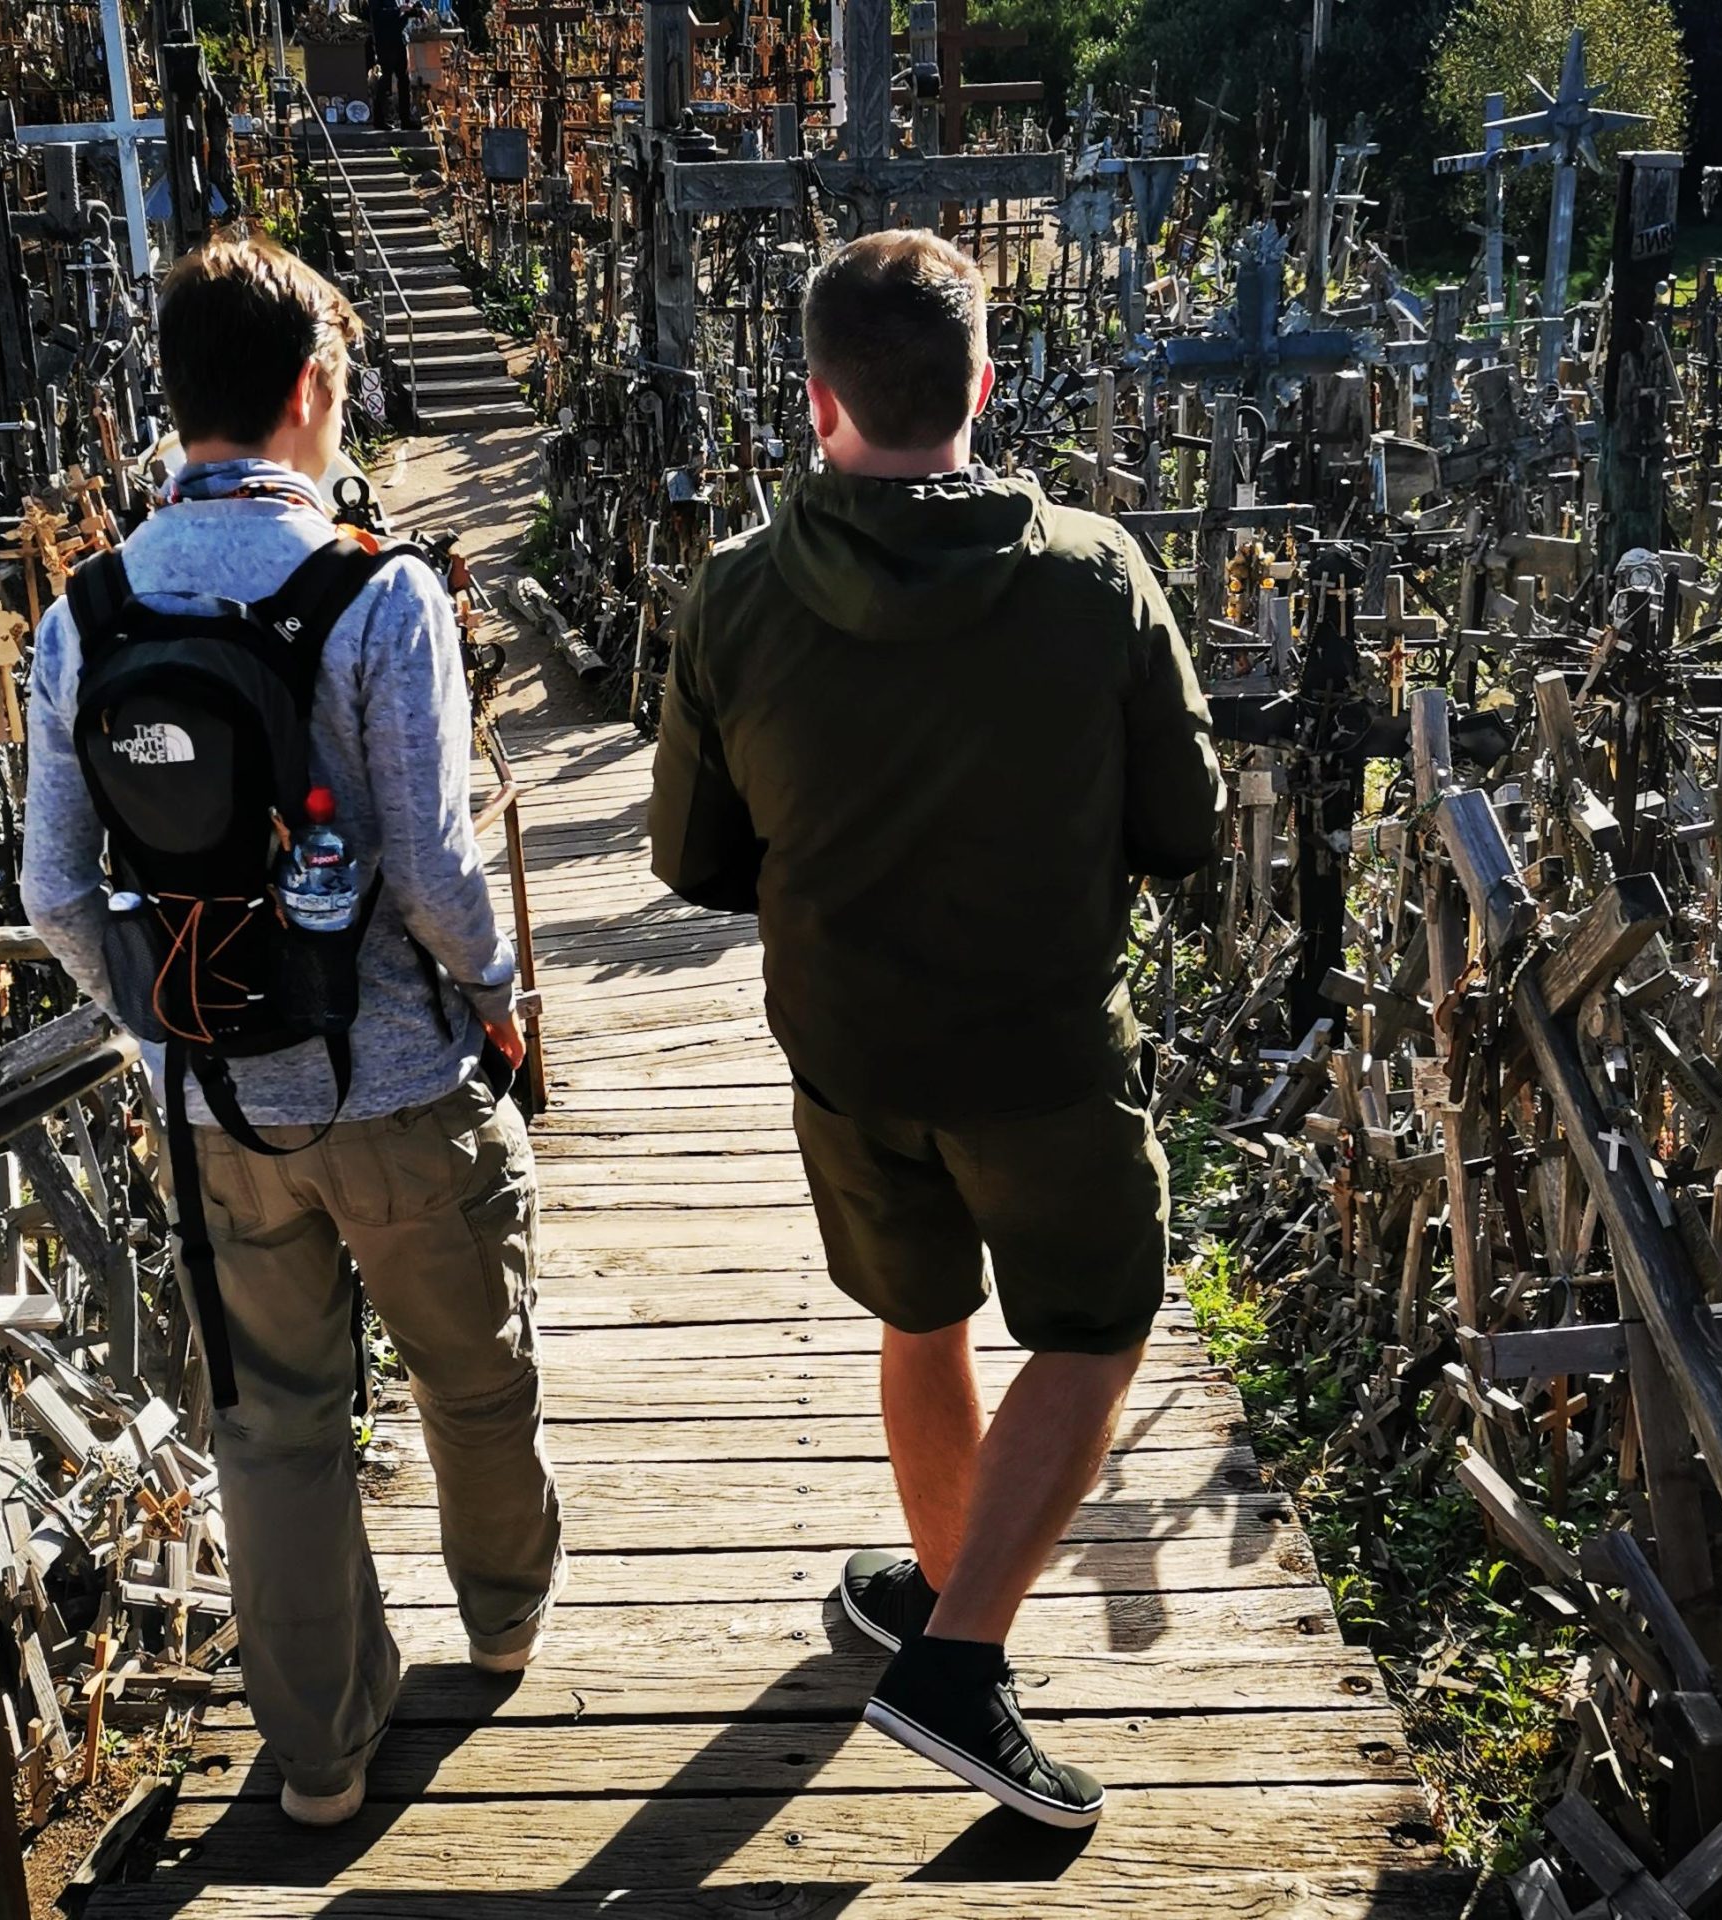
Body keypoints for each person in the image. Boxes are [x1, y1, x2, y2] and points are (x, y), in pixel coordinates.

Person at [648, 229, 1222, 1828]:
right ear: (981, 384)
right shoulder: (1094, 575)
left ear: (817, 396)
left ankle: (942, 1594)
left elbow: (696, 862)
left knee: (921, 1318)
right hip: (1040, 1051)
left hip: (846, 1052)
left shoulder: (736, 600)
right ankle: (961, 1660)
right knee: (1096, 1327)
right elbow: (1188, 826)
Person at [23, 233, 561, 1829]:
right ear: (316, 386)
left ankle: (320, 1763)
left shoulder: (88, 611)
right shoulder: (379, 592)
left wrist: (166, 1017)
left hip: (212, 1112)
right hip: (397, 1081)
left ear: (173, 399)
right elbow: (442, 867)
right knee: (476, 1375)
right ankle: (504, 1619)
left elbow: (58, 892)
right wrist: (495, 1004)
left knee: (273, 1435)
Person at [368, 0, 423, 129]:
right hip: (386, 42)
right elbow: (377, 15)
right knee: (385, 81)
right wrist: (399, 10)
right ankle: (380, 120)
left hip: (400, 40)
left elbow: (405, 13)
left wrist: (417, 11)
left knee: (404, 80)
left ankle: (406, 119)